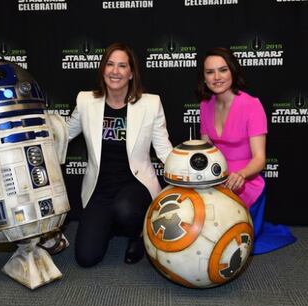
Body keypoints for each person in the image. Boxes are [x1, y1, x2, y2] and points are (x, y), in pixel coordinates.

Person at [67, 42, 173, 267]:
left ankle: (136, 235)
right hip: (100, 188)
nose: (115, 71)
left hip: (135, 184)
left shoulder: (150, 104)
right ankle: (110, 224)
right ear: (103, 69)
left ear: (131, 73)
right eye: (110, 64)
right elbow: (63, 134)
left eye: (122, 66)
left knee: (125, 208)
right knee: (86, 258)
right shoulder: (86, 101)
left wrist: (187, 174)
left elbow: (164, 150)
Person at [197, 47, 296, 254]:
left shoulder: (252, 105)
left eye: (222, 70)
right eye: (210, 72)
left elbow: (260, 159)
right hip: (217, 181)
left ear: (232, 71)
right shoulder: (205, 105)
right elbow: (206, 150)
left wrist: (241, 175)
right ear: (204, 77)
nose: (216, 77)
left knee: (229, 245)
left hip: (246, 183)